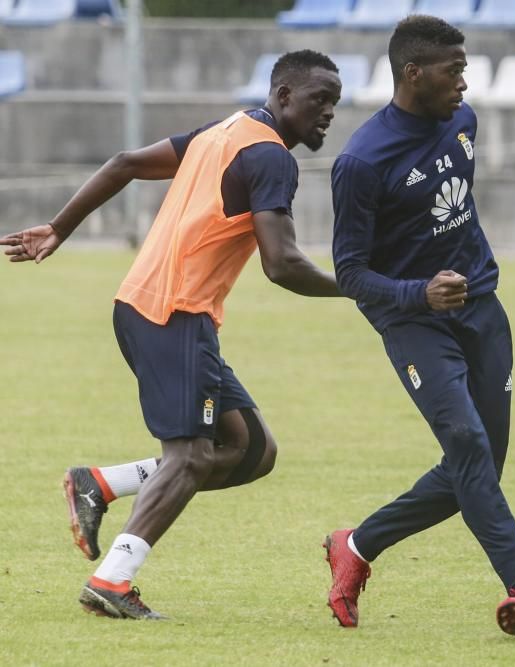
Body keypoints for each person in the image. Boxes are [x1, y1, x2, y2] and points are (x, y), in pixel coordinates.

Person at [1, 50, 344, 619]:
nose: (329, 112)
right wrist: (367, 288)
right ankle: (112, 581)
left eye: (334, 101)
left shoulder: (228, 130)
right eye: (319, 100)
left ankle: (102, 483)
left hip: (155, 308)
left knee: (253, 450)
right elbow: (282, 264)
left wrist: (60, 227)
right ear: (283, 95)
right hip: (172, 313)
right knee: (189, 456)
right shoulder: (269, 157)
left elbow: (124, 162)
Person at [325, 16, 515, 638]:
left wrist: (465, 281)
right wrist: (417, 294)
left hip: (483, 311)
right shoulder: (361, 162)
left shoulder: (464, 121)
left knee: (474, 471)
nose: (464, 80)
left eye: (465, 67)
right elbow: (348, 272)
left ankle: (357, 544)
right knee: (469, 449)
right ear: (413, 73)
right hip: (414, 324)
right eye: (454, 69)